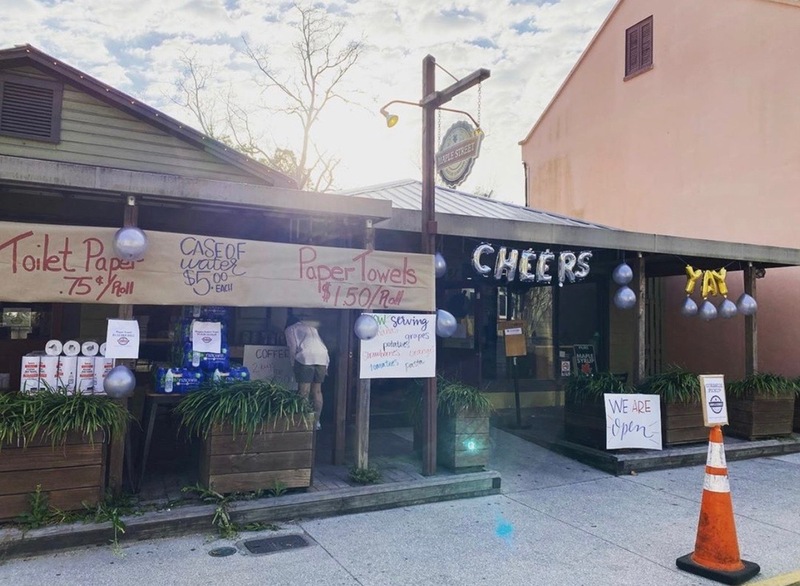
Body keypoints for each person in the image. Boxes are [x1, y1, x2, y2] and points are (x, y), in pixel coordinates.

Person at [284, 313, 329, 430]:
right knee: (317, 392)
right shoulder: (312, 328)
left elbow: (293, 347)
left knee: (304, 391)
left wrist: (293, 364)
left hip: (305, 357)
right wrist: (327, 365)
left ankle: (303, 422)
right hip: (322, 358)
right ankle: (316, 422)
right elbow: (323, 346)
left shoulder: (290, 329)